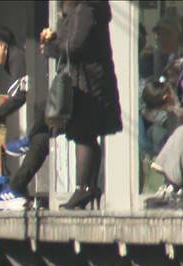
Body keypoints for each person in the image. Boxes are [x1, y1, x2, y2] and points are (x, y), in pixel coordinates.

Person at [41, 0, 122, 210]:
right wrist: (54, 39)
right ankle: (88, 188)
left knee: (84, 133)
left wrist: (52, 47)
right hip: (87, 79)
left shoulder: (86, 9)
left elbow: (75, 46)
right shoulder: (82, 10)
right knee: (84, 134)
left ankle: (84, 188)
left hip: (89, 82)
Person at [0, 26, 50, 211]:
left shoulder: (16, 57)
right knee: (39, 142)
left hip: (48, 106)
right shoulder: (17, 58)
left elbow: (20, 95)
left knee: (38, 141)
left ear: (2, 45)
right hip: (45, 106)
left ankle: (16, 188)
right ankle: (16, 190)